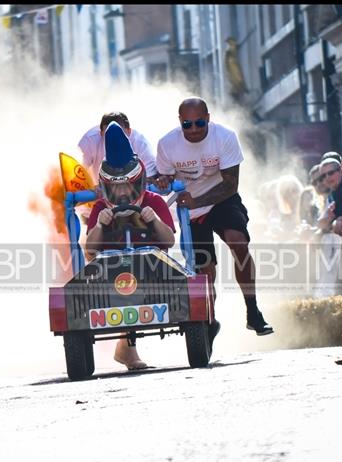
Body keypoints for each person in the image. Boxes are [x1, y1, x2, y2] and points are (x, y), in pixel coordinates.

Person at [154, 96, 273, 338]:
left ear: (208, 118)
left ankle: (252, 310)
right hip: (191, 210)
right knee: (204, 268)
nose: (194, 129)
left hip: (221, 199)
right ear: (180, 123)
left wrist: (197, 200)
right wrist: (163, 181)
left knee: (238, 242)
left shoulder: (225, 136)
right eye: (187, 125)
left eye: (199, 123)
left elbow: (231, 184)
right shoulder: (167, 144)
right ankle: (208, 320)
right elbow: (162, 182)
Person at [85, 121, 176, 371]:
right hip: (111, 271)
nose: (122, 192)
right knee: (120, 279)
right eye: (115, 186)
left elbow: (169, 240)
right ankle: (127, 349)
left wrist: (153, 220)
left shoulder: (154, 202)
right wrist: (100, 226)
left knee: (134, 278)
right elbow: (89, 250)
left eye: (126, 184)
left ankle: (126, 348)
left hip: (154, 268)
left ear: (137, 180)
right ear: (107, 185)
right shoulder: (101, 208)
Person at [78, 111, 158, 183]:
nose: (115, 138)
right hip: (99, 189)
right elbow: (76, 173)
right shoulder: (89, 141)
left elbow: (151, 178)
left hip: (133, 191)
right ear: (101, 133)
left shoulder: (141, 144)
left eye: (121, 133)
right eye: (108, 134)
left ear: (129, 131)